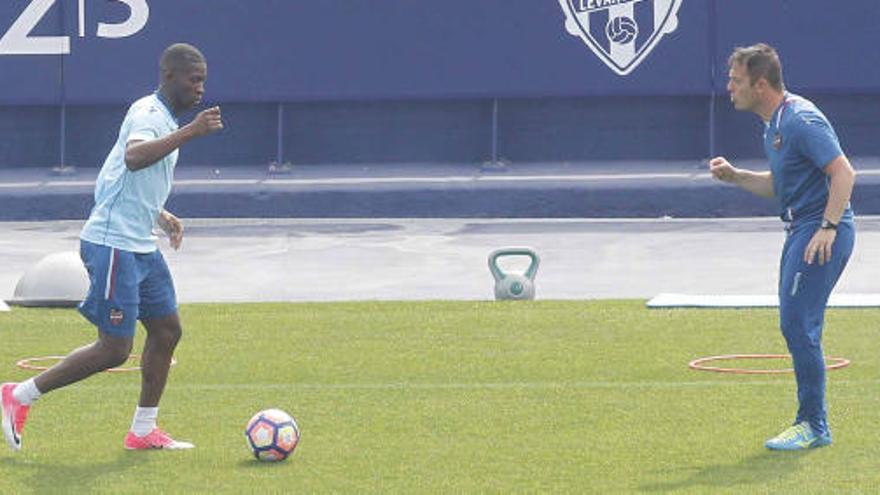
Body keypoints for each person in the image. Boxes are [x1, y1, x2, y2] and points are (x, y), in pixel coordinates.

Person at [2, 43, 223, 451]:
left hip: (139, 244)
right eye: (195, 80)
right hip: (113, 244)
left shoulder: (164, 119)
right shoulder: (148, 114)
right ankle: (17, 395)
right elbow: (135, 157)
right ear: (170, 76)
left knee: (167, 330)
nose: (201, 90)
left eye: (204, 82)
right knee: (115, 349)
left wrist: (161, 213)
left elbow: (116, 177)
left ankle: (142, 430)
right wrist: (192, 131)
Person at [709, 43, 856, 450]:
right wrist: (737, 177)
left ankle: (813, 424)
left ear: (760, 84)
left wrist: (828, 227)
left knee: (796, 324)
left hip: (819, 230)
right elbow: (780, 186)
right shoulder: (774, 124)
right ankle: (813, 423)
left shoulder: (800, 121)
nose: (729, 89)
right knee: (799, 323)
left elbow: (844, 172)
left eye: (736, 81)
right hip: (801, 228)